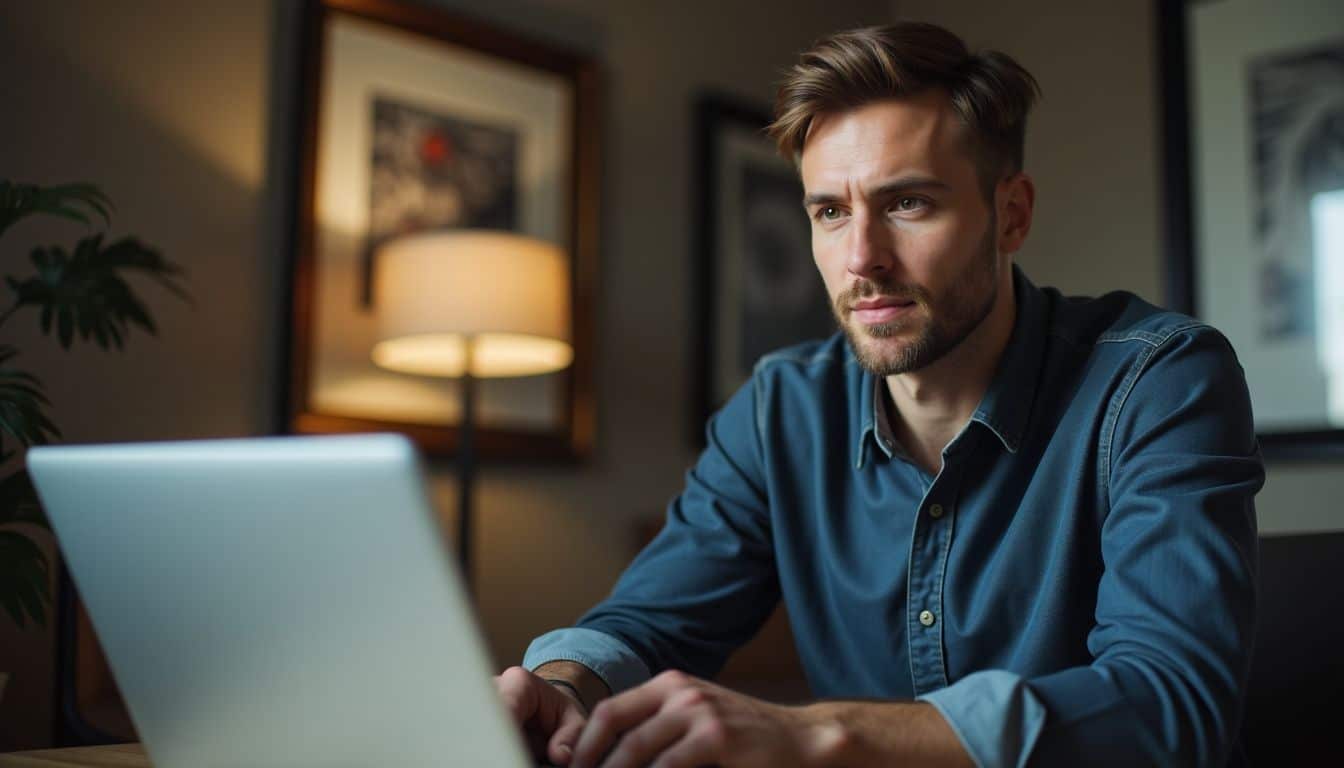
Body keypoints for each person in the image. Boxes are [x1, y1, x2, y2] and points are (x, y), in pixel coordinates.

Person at [495, 22, 1264, 768]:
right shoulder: (779, 410)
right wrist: (563, 686)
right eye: (830, 212)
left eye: (907, 204)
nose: (862, 257)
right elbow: (647, 622)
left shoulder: (1159, 381)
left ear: (1011, 214)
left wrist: (822, 735)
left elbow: (1173, 705)